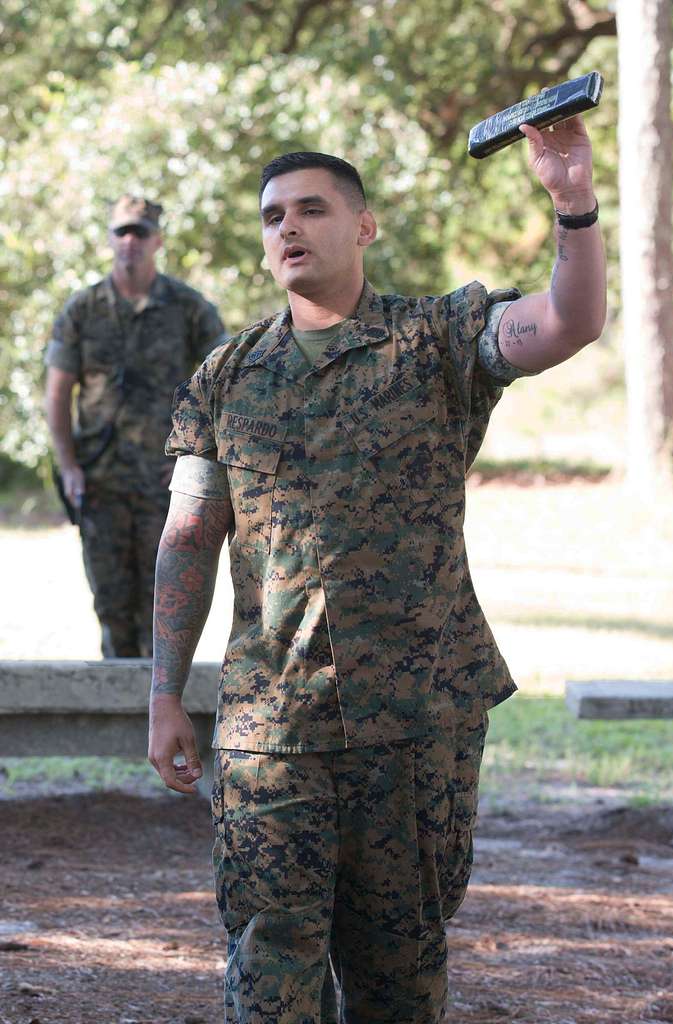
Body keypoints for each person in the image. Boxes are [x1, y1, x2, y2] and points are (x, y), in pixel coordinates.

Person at [148, 119, 605, 1023]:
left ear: (362, 226)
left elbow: (567, 322)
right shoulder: (226, 375)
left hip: (415, 725)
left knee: (399, 972)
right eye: (274, 214)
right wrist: (165, 691)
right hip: (271, 730)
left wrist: (572, 207)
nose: (289, 228)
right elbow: (189, 534)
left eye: (312, 209)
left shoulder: (435, 339)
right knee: (268, 968)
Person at [44, 196, 225, 658]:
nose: (130, 241)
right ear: (109, 238)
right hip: (100, 484)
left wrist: (197, 457)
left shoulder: (188, 307)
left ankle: (158, 715)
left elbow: (224, 382)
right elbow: (58, 393)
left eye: (140, 232)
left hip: (166, 484)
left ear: (157, 240)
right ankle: (118, 719)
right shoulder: (83, 310)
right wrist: (68, 466)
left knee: (164, 605)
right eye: (122, 231)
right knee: (111, 605)